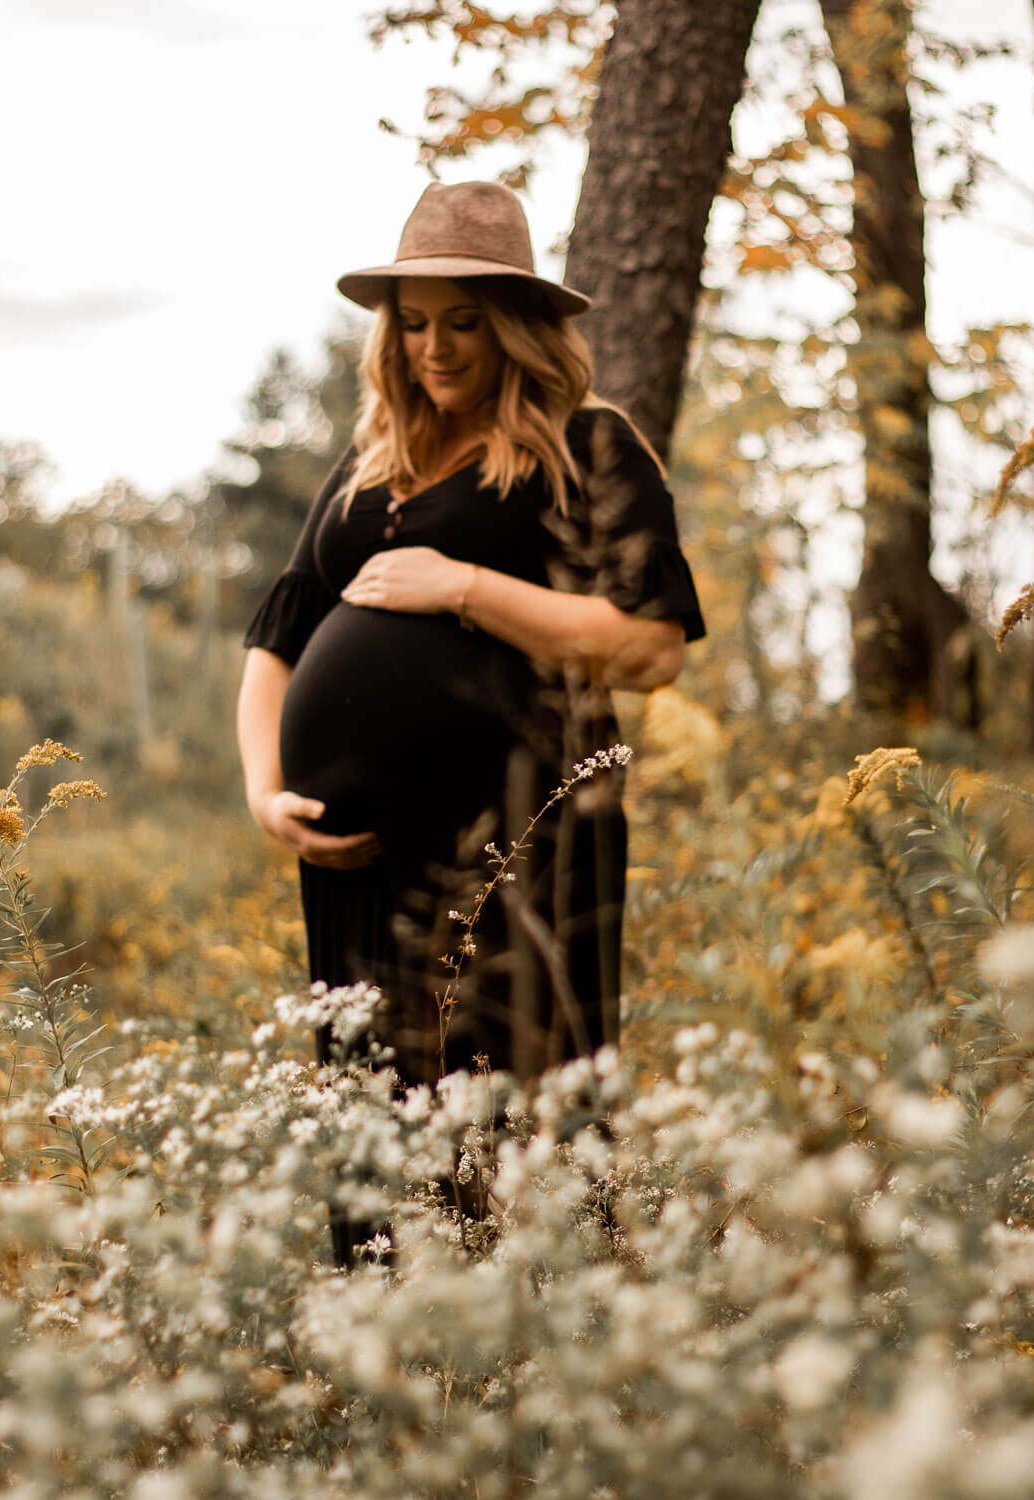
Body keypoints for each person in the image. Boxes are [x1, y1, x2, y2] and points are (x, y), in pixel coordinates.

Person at [236, 179, 706, 1097]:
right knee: (372, 1123)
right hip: (357, 859)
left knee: (511, 1110)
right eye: (413, 323)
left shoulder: (586, 446)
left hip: (512, 842)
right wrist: (265, 790)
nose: (433, 348)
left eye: (463, 323)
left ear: (515, 325)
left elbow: (652, 648)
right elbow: (281, 635)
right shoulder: (370, 462)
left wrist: (462, 586)